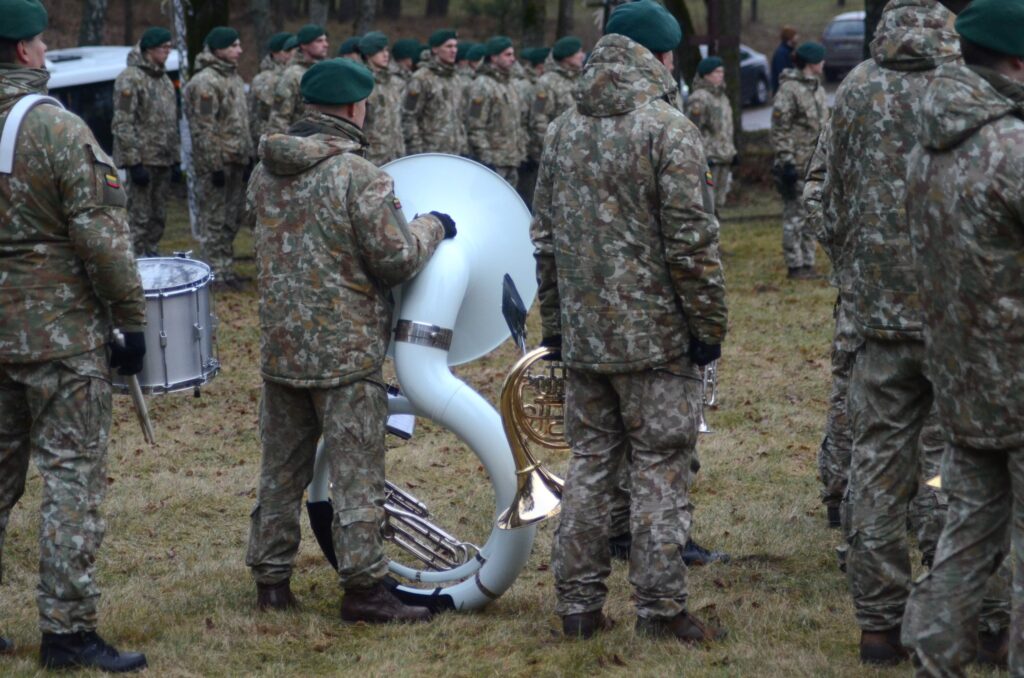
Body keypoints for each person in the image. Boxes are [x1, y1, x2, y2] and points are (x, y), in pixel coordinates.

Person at [823, 0, 1011, 667]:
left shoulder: (856, 89)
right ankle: (982, 614)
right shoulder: (969, 89)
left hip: (876, 313)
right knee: (960, 467)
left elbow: (831, 198)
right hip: (957, 310)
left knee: (877, 464)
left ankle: (879, 624)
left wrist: (856, 273)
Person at [533, 0, 727, 642]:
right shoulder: (668, 129)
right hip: (658, 340)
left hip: (586, 338)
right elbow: (692, 245)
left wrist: (557, 326)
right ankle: (662, 609)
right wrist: (707, 328)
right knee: (659, 469)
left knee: (590, 466)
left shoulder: (563, 129)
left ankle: (578, 606)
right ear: (662, 57)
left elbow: (545, 239)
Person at [244, 57, 456, 623]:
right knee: (357, 473)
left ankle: (271, 581)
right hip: (345, 352)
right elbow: (397, 259)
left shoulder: (265, 171)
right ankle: (364, 589)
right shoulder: (359, 175)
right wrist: (433, 225)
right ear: (356, 108)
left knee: (280, 471)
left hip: (282, 348)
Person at [0, 0, 148, 670]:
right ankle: (67, 632)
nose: (44, 52)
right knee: (70, 481)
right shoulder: (55, 127)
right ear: (24, 51)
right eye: (39, 43)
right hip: (57, 337)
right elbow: (100, 237)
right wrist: (130, 319)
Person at [901, 0, 1024, 673]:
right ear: (1016, 61)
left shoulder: (928, 148)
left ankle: (934, 658)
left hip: (962, 377)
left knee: (970, 529)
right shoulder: (1010, 148)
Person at [183, 26, 252, 289]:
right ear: (218, 49)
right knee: (214, 219)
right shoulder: (205, 81)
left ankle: (226, 268)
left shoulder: (233, 78)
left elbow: (240, 122)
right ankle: (213, 273)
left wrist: (247, 155)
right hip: (218, 163)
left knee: (231, 219)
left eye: (239, 44)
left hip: (237, 159)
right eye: (233, 45)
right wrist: (213, 165)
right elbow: (203, 127)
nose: (239, 50)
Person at [111, 26, 180, 257]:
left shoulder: (164, 81)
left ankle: (152, 258)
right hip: (143, 160)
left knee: (158, 217)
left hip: (163, 159)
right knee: (138, 218)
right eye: (164, 47)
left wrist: (176, 159)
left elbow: (171, 122)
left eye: (170, 47)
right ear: (150, 49)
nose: (168, 51)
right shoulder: (130, 79)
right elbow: (123, 122)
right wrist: (133, 162)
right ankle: (134, 262)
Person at [771, 41, 828, 280]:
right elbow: (780, 128)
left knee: (811, 214)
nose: (824, 63)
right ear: (811, 63)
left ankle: (808, 262)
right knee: (794, 215)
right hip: (795, 164)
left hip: (815, 165)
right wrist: (787, 161)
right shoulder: (789, 89)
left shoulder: (818, 89)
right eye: (821, 60)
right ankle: (795, 265)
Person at [467, 36, 525, 185]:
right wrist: (486, 159)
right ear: (494, 57)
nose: (513, 59)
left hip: (511, 160)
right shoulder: (482, 85)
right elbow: (475, 126)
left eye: (513, 54)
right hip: (494, 162)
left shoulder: (510, 84)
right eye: (507, 54)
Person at [402, 29, 466, 155]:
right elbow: (409, 117)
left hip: (455, 153)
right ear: (435, 49)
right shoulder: (421, 78)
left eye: (455, 46)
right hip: (430, 153)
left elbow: (460, 117)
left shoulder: (456, 78)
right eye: (448, 46)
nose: (454, 50)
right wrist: (417, 151)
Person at [686, 56, 737, 214]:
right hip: (709, 159)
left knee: (719, 202)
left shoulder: (722, 97)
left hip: (724, 156)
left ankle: (717, 228)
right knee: (707, 203)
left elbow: (726, 128)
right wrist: (700, 156)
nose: (721, 75)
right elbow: (692, 129)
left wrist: (731, 150)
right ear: (706, 74)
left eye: (722, 72)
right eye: (716, 72)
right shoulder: (700, 98)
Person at [529, 36, 584, 159]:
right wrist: (550, 147)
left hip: (580, 150)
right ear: (567, 56)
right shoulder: (546, 82)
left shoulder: (582, 79)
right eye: (579, 52)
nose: (582, 56)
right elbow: (538, 117)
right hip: (557, 151)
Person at [268, 24, 329, 134]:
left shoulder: (326, 71)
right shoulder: (292, 75)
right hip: (301, 141)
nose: (325, 45)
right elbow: (278, 120)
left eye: (325, 40)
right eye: (319, 41)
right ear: (304, 45)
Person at [360, 31, 406, 166]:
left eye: (386, 50)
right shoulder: (362, 83)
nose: (386, 54)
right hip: (372, 158)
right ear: (368, 54)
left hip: (397, 155)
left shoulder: (395, 83)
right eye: (380, 51)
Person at [248, 32, 294, 151]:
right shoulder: (266, 79)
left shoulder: (291, 74)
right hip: (270, 141)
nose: (292, 54)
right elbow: (265, 114)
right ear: (275, 53)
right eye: (287, 51)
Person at [771, 26, 798, 93]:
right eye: (795, 35)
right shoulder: (781, 53)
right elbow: (782, 73)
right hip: (782, 91)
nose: (797, 37)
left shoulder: (789, 51)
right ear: (790, 37)